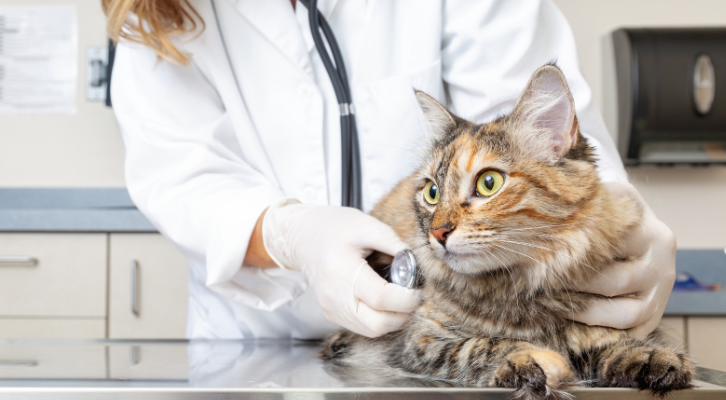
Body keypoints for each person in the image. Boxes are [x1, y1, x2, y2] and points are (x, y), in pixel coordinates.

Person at [103, 0, 676, 340]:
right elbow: (182, 178)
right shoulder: (157, 11)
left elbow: (539, 126)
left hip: (457, 339)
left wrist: (616, 224)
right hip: (257, 343)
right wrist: (293, 236)